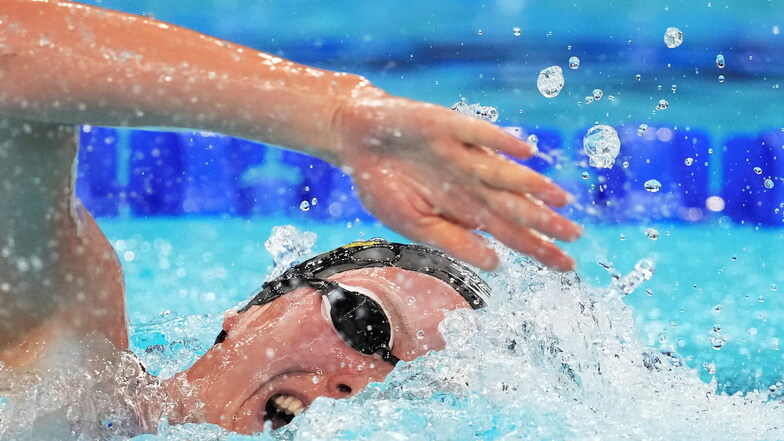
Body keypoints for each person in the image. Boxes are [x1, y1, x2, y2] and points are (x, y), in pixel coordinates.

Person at [0, 0, 582, 438]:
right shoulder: (73, 378)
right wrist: (335, 116)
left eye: (419, 386)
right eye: (366, 323)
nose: (365, 383)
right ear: (252, 314)